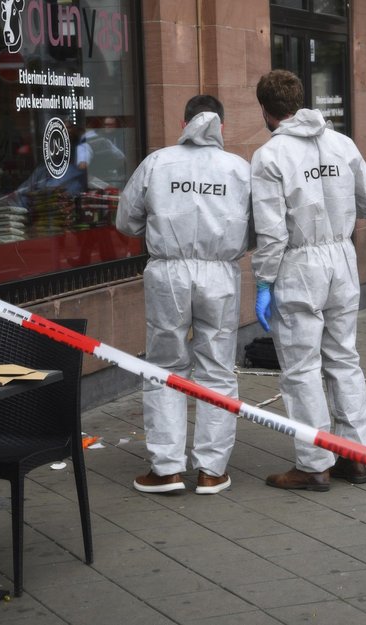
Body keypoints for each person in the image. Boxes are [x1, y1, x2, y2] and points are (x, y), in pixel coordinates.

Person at [250, 70, 366, 491]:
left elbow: (271, 232)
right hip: (342, 258)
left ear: (267, 111)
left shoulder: (270, 157)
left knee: (302, 367)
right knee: (344, 359)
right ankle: (355, 455)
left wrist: (264, 282)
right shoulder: (341, 143)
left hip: (299, 264)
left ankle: (314, 463)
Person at [115, 95, 251, 495]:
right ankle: (212, 469)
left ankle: (167, 468)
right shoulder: (239, 169)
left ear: (183, 121)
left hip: (168, 273)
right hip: (221, 274)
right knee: (218, 370)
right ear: (221, 126)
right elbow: (259, 227)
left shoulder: (158, 162)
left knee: (164, 367)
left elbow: (126, 219)